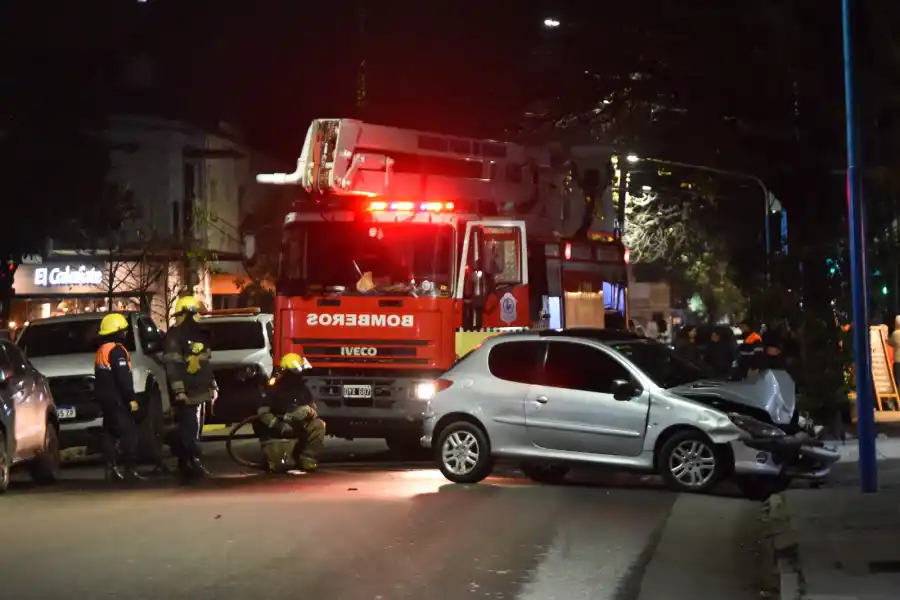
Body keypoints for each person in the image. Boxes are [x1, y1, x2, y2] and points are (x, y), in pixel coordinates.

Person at [163, 295, 218, 483]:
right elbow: (172, 366)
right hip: (186, 392)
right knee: (189, 428)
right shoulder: (175, 336)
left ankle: (188, 461)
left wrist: (212, 386)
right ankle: (188, 462)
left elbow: (205, 365)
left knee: (195, 428)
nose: (200, 318)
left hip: (200, 390)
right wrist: (179, 391)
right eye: (197, 314)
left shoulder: (200, 335)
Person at [253, 352, 326, 472]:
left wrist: (309, 411)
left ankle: (307, 458)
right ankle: (282, 457)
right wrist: (279, 425)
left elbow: (313, 408)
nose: (296, 377)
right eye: (293, 374)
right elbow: (263, 412)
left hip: (298, 425)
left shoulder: (302, 389)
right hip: (279, 429)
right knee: (281, 466)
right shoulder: (275, 389)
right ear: (285, 372)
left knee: (319, 425)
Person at [94, 313, 144, 482]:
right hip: (118, 399)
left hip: (105, 399)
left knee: (109, 434)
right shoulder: (117, 350)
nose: (125, 333)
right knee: (129, 433)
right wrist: (131, 398)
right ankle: (130, 469)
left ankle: (110, 469)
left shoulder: (102, 350)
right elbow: (123, 377)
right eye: (123, 330)